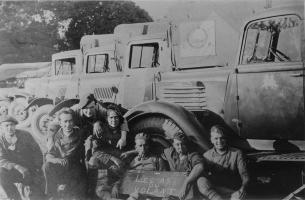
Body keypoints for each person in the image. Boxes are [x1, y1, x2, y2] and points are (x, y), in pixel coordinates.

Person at [161, 131, 222, 200]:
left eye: (182, 144)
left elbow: (199, 166)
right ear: (173, 145)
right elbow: (160, 154)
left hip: (192, 184)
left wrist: (187, 182)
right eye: (177, 144)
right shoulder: (170, 153)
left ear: (186, 145)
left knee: (202, 183)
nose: (180, 147)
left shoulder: (192, 154)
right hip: (176, 183)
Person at [43, 108, 87, 199]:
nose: (68, 125)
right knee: (46, 166)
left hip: (75, 166)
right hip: (61, 164)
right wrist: (55, 159)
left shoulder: (80, 133)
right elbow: (49, 154)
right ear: (60, 123)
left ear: (74, 122)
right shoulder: (56, 136)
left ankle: (68, 189)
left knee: (76, 195)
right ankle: (52, 194)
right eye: (65, 121)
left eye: (70, 121)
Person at [0, 115, 43, 200]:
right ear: (1, 127)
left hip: (31, 170)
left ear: (15, 125)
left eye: (12, 125)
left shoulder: (25, 135)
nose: (9, 128)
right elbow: (1, 159)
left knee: (37, 196)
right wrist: (17, 167)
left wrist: (37, 168)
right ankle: (14, 197)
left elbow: (37, 153)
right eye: (6, 125)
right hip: (15, 171)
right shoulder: (0, 140)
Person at [203, 125, 250, 200]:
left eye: (222, 138)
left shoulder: (237, 153)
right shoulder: (207, 155)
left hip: (233, 191)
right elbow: (204, 176)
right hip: (215, 191)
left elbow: (244, 175)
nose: (219, 141)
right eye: (216, 138)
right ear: (211, 140)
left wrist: (243, 189)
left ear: (226, 139)